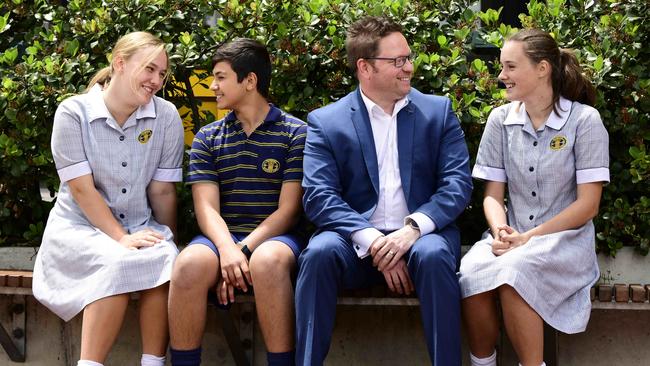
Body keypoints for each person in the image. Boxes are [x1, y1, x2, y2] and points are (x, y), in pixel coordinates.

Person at [295, 16, 473, 365]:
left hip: (420, 240)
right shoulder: (327, 121)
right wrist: (375, 242)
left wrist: (410, 231)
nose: (408, 68)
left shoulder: (438, 112)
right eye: (397, 61)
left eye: (408, 58)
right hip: (355, 244)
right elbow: (319, 196)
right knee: (318, 254)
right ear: (365, 67)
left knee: (436, 255)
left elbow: (457, 184)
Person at [32, 31, 184, 366]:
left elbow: (161, 190)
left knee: (165, 258)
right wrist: (121, 238)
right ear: (119, 63)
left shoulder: (167, 116)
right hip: (79, 228)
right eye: (149, 69)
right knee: (118, 260)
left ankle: (153, 363)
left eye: (162, 73)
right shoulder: (73, 113)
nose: (156, 80)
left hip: (139, 225)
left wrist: (168, 237)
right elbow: (82, 190)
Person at [459, 29, 608, 366]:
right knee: (470, 272)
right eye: (502, 67)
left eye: (511, 67)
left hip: (564, 242)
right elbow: (492, 195)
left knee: (515, 272)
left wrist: (527, 239)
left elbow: (589, 205)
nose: (501, 76)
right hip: (512, 237)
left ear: (542, 69)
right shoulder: (499, 120)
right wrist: (501, 232)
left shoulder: (585, 121)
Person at [168, 38, 307, 366]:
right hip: (220, 239)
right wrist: (228, 250)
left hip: (275, 239)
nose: (213, 86)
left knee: (267, 262)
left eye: (220, 77)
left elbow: (288, 211)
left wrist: (242, 252)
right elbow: (205, 208)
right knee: (188, 266)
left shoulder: (295, 134)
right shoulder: (208, 137)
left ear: (250, 81)